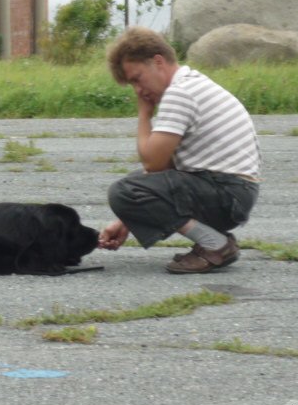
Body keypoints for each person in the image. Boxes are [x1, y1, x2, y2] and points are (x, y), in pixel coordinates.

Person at [98, 26, 261, 274]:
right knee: (134, 184)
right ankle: (213, 240)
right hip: (234, 192)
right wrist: (127, 220)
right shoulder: (191, 84)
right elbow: (162, 170)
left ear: (158, 62)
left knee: (124, 191)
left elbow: (153, 163)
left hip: (227, 192)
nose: (138, 90)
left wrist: (144, 114)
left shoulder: (180, 93)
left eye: (137, 79)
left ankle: (215, 245)